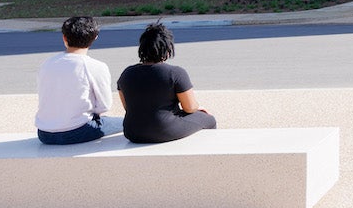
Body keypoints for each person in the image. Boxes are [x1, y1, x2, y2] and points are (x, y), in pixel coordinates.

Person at [117, 23, 217, 144]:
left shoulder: (126, 74)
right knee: (209, 119)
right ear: (167, 50)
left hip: (132, 132)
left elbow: (128, 107)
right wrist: (198, 108)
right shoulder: (175, 73)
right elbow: (190, 108)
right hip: (164, 130)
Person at [36, 16, 121, 145]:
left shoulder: (47, 63)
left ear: (64, 38)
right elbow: (104, 106)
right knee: (128, 122)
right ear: (95, 38)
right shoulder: (96, 66)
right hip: (78, 131)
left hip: (44, 133)